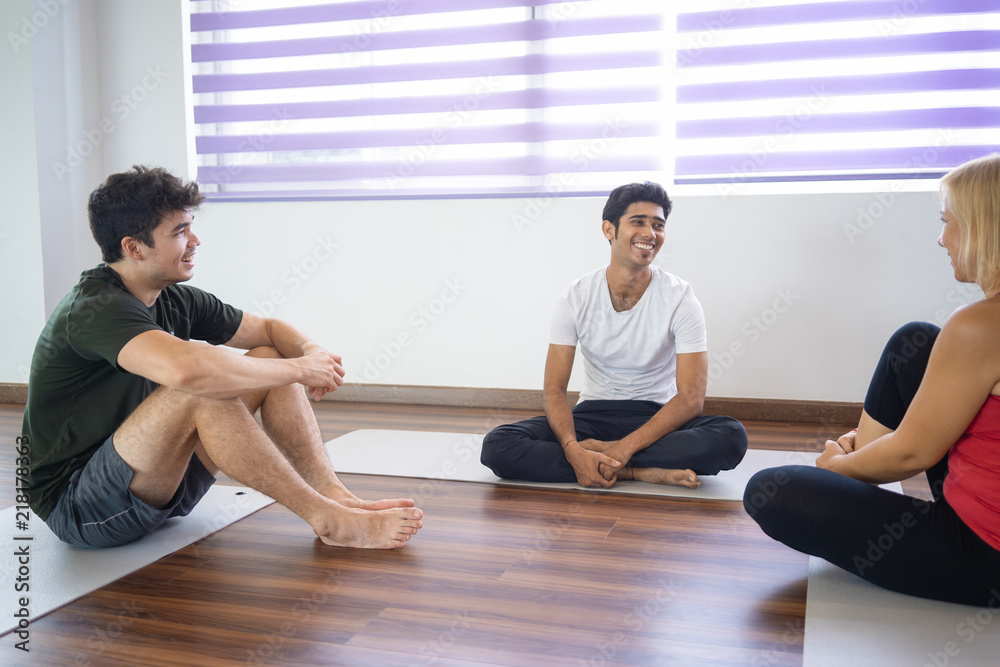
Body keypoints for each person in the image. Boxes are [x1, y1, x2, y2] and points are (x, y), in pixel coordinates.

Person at [23, 166, 422, 549]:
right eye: (180, 231)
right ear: (133, 247)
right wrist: (301, 369)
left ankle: (334, 495)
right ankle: (326, 519)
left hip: (160, 485)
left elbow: (268, 330)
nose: (195, 241)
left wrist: (311, 352)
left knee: (266, 357)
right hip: (81, 506)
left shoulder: (174, 297)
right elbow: (189, 372)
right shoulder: (95, 309)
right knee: (198, 386)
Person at [744, 154, 1000, 606]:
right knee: (916, 342)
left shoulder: (981, 326)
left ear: (985, 226)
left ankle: (854, 467)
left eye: (948, 222)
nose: (941, 239)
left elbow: (913, 454)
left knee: (771, 491)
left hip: (983, 551)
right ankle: (864, 462)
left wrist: (834, 467)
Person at [480, 182, 748, 489]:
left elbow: (690, 398)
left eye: (658, 225)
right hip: (594, 413)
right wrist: (571, 446)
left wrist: (618, 448)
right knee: (498, 445)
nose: (650, 233)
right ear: (609, 229)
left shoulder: (680, 297)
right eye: (638, 222)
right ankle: (639, 472)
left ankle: (599, 462)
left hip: (656, 416)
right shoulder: (576, 296)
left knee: (731, 437)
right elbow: (554, 388)